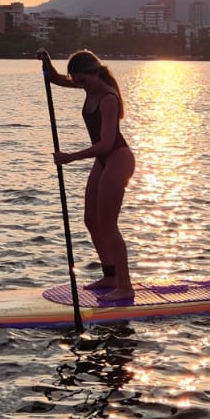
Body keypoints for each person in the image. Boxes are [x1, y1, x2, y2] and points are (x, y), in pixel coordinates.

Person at [37, 48, 136, 302]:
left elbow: (106, 143)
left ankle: (125, 286)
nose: (79, 85)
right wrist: (47, 59)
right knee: (91, 220)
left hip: (117, 158)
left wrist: (71, 157)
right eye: (77, 81)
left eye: (82, 80)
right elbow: (57, 79)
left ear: (95, 73)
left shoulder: (108, 98)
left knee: (108, 224)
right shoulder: (87, 86)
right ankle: (110, 275)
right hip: (103, 162)